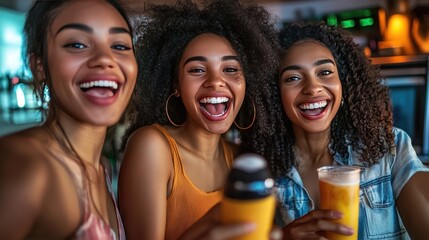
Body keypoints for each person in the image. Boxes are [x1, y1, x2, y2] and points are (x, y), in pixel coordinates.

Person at [242, 21, 429, 239]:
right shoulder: (263, 173)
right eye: (293, 78)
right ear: (275, 94)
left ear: (343, 85)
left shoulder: (389, 148)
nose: (312, 88)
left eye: (325, 72)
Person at [117, 0, 281, 239]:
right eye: (197, 70)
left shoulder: (238, 158)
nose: (215, 81)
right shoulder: (153, 147)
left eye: (230, 69)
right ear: (175, 86)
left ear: (247, 83)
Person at [0, 1, 137, 239]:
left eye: (119, 45)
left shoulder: (101, 165)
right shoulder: (25, 166)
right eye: (77, 44)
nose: (105, 59)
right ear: (39, 66)